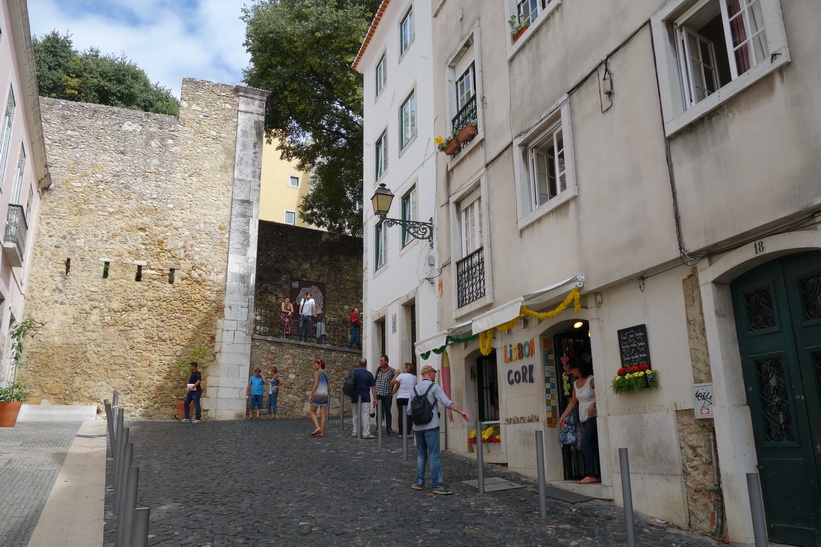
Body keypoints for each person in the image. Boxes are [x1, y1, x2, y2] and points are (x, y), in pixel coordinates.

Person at [410, 365, 470, 494]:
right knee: (434, 455)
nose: (435, 376)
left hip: (417, 427)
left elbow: (409, 410)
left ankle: (419, 482)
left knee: (421, 454)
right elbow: (447, 402)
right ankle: (437, 485)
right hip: (431, 425)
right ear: (430, 373)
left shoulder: (414, 389)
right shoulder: (434, 387)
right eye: (434, 374)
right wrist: (461, 412)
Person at [559, 359, 599, 484]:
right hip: (582, 416)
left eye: (573, 369)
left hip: (593, 415)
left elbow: (601, 394)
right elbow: (573, 401)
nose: (571, 371)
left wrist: (594, 404)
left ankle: (590, 474)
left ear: (579, 369)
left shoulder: (592, 380)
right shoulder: (576, 384)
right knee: (593, 444)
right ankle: (598, 472)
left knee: (585, 443)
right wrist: (563, 416)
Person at [349, 358, 377, 438]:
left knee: (355, 415)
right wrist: (375, 398)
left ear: (359, 364)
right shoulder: (369, 374)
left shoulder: (353, 372)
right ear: (366, 364)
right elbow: (373, 387)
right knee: (365, 415)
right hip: (365, 396)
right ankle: (366, 433)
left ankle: (355, 431)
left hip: (355, 395)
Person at [391, 363, 416, 438]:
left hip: (401, 397)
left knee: (401, 415)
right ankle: (408, 433)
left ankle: (401, 433)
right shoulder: (415, 377)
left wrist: (396, 374)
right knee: (409, 415)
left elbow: (392, 382)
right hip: (410, 398)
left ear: (406, 369)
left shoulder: (401, 376)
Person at [374, 354, 397, 435]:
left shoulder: (392, 371)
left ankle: (389, 428)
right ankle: (378, 428)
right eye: (380, 361)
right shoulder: (378, 370)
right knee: (379, 412)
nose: (380, 362)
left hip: (387, 394)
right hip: (379, 394)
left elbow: (398, 380)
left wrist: (394, 391)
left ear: (386, 362)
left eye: (382, 361)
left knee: (388, 412)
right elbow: (375, 381)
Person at [309, 358, 329, 436]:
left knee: (312, 411)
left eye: (315, 364)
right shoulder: (326, 374)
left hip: (318, 394)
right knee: (323, 414)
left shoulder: (317, 373)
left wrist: (311, 394)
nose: (314, 365)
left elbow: (316, 384)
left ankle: (317, 427)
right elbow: (328, 386)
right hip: (325, 394)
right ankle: (322, 433)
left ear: (319, 365)